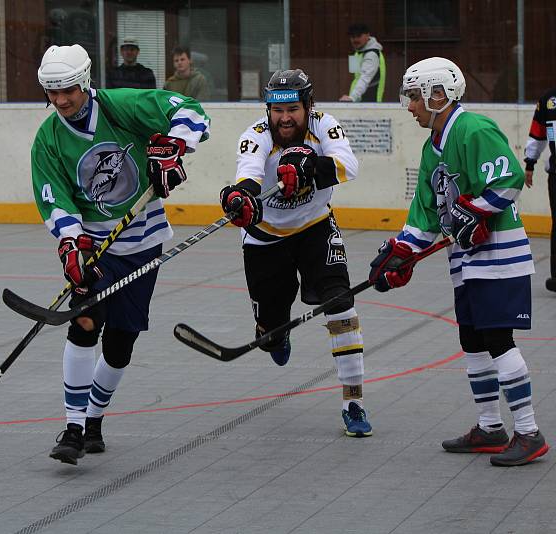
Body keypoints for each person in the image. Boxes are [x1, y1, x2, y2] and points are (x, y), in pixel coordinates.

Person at [32, 44, 210, 465]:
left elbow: (193, 112)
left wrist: (173, 147)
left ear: (85, 81)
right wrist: (70, 241)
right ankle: (73, 426)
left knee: (121, 343)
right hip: (95, 249)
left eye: (68, 91)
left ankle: (94, 418)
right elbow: (54, 197)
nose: (60, 101)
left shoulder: (122, 106)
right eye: (52, 93)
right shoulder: (48, 138)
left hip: (143, 244)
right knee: (85, 321)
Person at [369, 57, 549, 466]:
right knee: (471, 341)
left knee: (497, 340)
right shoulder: (432, 147)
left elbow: (508, 180)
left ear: (439, 94)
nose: (409, 106)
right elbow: (426, 216)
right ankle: (490, 427)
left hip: (499, 256)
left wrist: (475, 210)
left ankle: (528, 432)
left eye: (414, 97)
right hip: (467, 259)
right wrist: (402, 252)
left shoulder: (473, 128)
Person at [219, 69, 372, 437]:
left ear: (308, 107)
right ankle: (275, 334)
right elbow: (249, 176)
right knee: (270, 332)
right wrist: (240, 198)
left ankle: (354, 402)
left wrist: (309, 164)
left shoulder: (324, 125)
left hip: (315, 228)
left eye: (293, 110)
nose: (284, 118)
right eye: (276, 110)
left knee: (342, 304)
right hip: (266, 239)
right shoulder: (255, 136)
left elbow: (349, 165)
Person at [523, 87, 556, 292]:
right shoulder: (547, 100)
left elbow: (537, 135)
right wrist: (529, 164)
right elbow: (538, 134)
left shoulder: (548, 99)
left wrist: (530, 163)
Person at [339, 23, 385, 103]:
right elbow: (355, 78)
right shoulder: (357, 53)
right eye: (352, 36)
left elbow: (365, 78)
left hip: (370, 103)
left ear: (367, 35)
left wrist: (352, 97)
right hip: (357, 101)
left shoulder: (372, 54)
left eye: (358, 36)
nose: (355, 39)